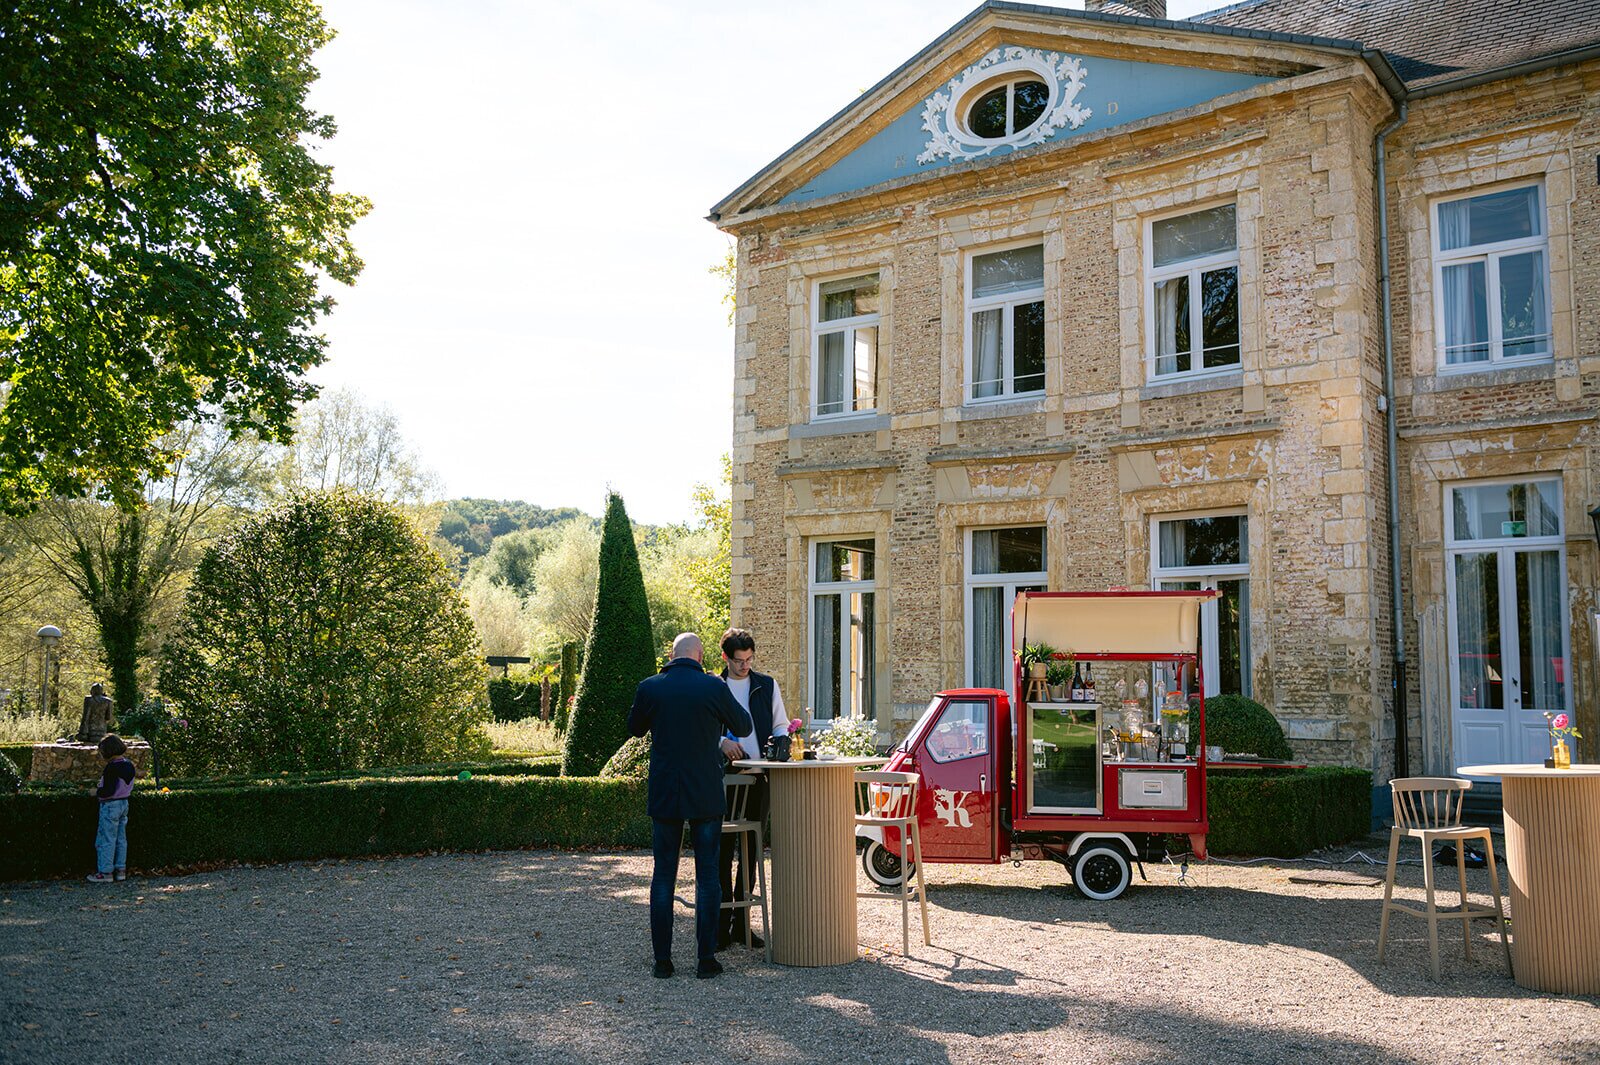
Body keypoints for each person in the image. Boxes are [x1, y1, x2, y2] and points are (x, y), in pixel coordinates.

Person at [627, 632, 752, 979]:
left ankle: (663, 962)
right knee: (708, 877)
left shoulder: (650, 687)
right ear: (700, 656)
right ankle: (705, 960)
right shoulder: (713, 687)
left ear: (672, 654)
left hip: (665, 792)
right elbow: (743, 725)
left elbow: (634, 729)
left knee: (663, 876)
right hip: (705, 793)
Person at [715, 627, 789, 951]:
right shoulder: (713, 687)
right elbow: (703, 728)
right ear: (725, 657)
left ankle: (743, 926)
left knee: (750, 854)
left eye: (749, 660)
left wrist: (781, 742)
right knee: (721, 853)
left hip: (759, 778)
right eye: (738, 661)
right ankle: (720, 926)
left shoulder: (766, 685)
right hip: (723, 779)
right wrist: (722, 741)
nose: (745, 666)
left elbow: (780, 724)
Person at [87, 733, 135, 883]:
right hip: (124, 803)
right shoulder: (129, 765)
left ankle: (105, 872)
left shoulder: (112, 768)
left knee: (106, 838)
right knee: (121, 839)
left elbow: (108, 791)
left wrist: (96, 792)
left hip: (110, 805)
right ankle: (120, 870)